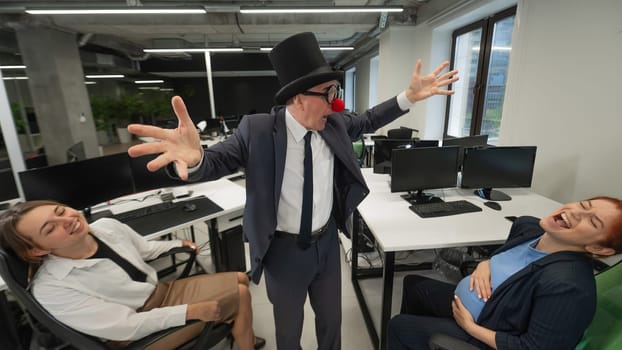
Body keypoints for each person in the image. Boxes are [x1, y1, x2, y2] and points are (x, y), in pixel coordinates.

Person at [127, 31, 459, 349]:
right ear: (298, 98)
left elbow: (368, 120)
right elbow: (217, 160)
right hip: (282, 252)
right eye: (329, 94)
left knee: (332, 324)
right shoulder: (257, 131)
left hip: (327, 245)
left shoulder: (336, 125)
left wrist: (409, 97)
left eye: (336, 93)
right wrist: (197, 158)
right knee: (289, 332)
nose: (336, 103)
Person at [0, 200, 266, 350]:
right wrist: (190, 311)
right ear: (36, 249)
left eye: (60, 211)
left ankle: (240, 330)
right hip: (134, 330)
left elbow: (146, 249)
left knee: (240, 279)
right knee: (241, 293)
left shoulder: (105, 227)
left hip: (159, 294)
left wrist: (179, 245)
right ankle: (246, 343)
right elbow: (126, 325)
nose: (67, 220)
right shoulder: (51, 288)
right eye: (50, 228)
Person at [388, 196, 622, 350]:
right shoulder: (530, 228)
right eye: (583, 205)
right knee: (413, 285)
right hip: (482, 308)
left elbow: (534, 348)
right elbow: (508, 259)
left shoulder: (568, 286)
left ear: (598, 248)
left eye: (592, 222)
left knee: (399, 327)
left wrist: (471, 328)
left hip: (486, 332)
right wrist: (485, 263)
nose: (576, 213)